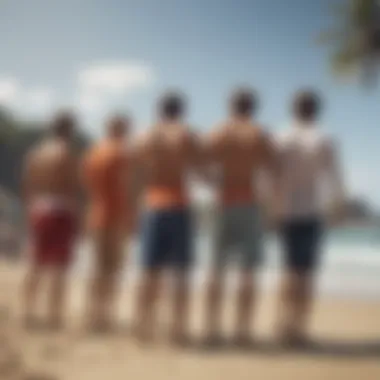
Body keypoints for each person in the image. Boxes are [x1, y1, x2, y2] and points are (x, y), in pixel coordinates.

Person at [203, 88, 277, 346]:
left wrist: (215, 184)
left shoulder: (219, 132)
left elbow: (202, 165)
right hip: (249, 200)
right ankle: (242, 332)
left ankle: (212, 329)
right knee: (248, 270)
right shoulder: (259, 134)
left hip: (224, 201)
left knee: (216, 268)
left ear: (230, 106)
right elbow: (274, 169)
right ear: (253, 107)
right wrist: (270, 203)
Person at [274, 90, 345, 346]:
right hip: (313, 210)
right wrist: (338, 209)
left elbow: (272, 177)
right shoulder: (325, 138)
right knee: (306, 272)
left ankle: (284, 325)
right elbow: (336, 178)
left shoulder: (281, 137)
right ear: (317, 110)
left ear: (293, 108)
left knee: (289, 269)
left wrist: (270, 210)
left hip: (287, 211)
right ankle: (299, 328)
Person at [133, 91, 202, 344]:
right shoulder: (188, 134)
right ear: (181, 110)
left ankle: (143, 327)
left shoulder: (147, 135)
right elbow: (202, 168)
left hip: (153, 203)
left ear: (159, 110)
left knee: (150, 270)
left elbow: (136, 170)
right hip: (179, 203)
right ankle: (177, 330)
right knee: (180, 272)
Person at [22, 111, 80, 329]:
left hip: (38, 208)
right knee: (59, 267)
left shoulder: (35, 153)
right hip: (61, 209)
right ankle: (53, 316)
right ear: (70, 130)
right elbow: (72, 188)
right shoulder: (67, 153)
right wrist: (78, 217)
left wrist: (31, 210)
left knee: (35, 263)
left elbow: (27, 185)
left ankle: (27, 312)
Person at [82, 115, 135, 332]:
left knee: (97, 268)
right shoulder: (122, 153)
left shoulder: (94, 153)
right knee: (112, 269)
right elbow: (129, 187)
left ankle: (92, 314)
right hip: (116, 216)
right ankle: (106, 315)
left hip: (96, 213)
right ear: (123, 128)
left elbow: (87, 184)